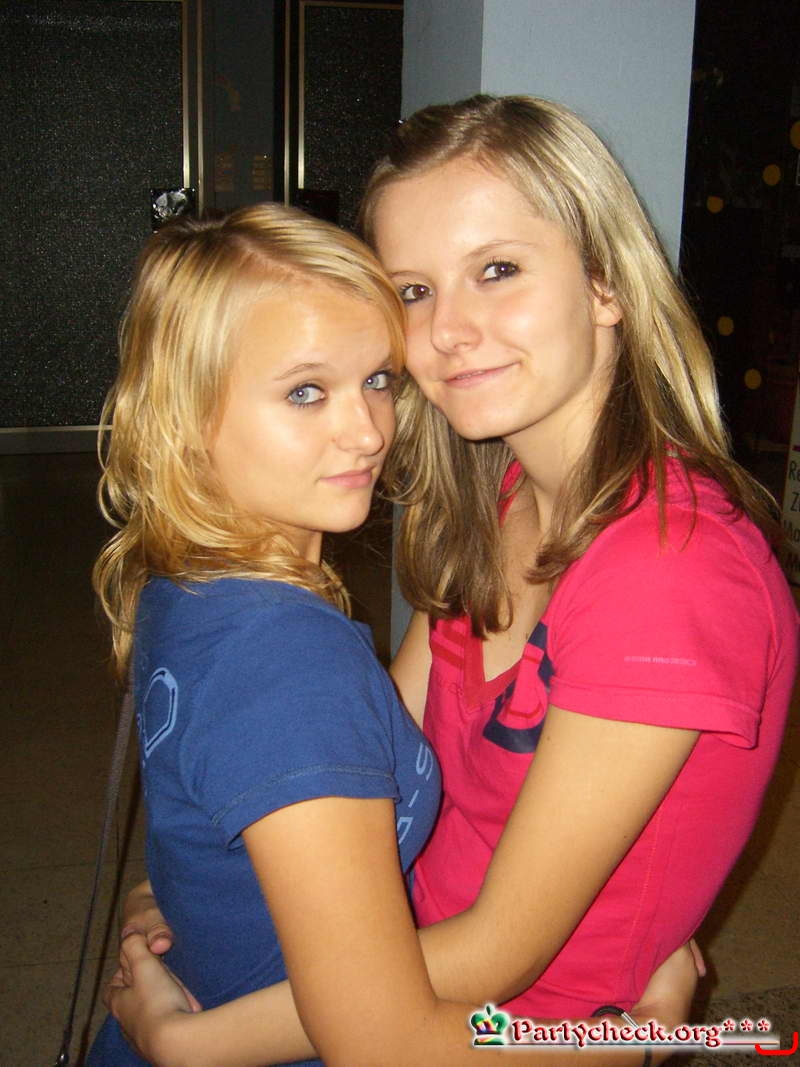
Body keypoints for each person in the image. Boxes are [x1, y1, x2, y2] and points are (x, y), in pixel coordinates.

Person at [87, 200, 693, 1067]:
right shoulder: (292, 664)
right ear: (187, 415)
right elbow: (381, 1041)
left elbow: (243, 785)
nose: (368, 430)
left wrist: (182, 884)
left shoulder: (188, 583)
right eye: (305, 391)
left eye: (376, 379)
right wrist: (637, 1038)